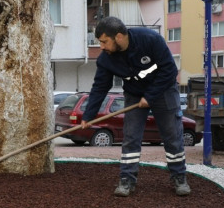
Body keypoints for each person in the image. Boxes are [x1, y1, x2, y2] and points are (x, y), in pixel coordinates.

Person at [81, 16, 190, 197]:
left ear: (119, 37)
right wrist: (88, 116)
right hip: (134, 94)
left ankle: (179, 177)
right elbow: (100, 87)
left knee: (172, 135)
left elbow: (169, 70)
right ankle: (127, 179)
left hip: (164, 90)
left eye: (104, 42)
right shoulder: (106, 59)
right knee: (131, 136)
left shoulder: (150, 40)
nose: (101, 47)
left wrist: (150, 96)